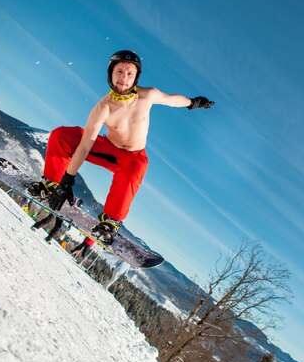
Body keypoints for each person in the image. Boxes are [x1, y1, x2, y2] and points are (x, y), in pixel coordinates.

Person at [28, 50, 214, 244]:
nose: (124, 78)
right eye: (119, 72)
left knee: (137, 167)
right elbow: (84, 146)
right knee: (61, 135)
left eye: (129, 74)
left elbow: (172, 100)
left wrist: (194, 102)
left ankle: (109, 222)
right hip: (108, 149)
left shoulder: (147, 95)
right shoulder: (104, 107)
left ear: (136, 77)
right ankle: (50, 185)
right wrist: (66, 181)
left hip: (132, 157)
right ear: (110, 73)